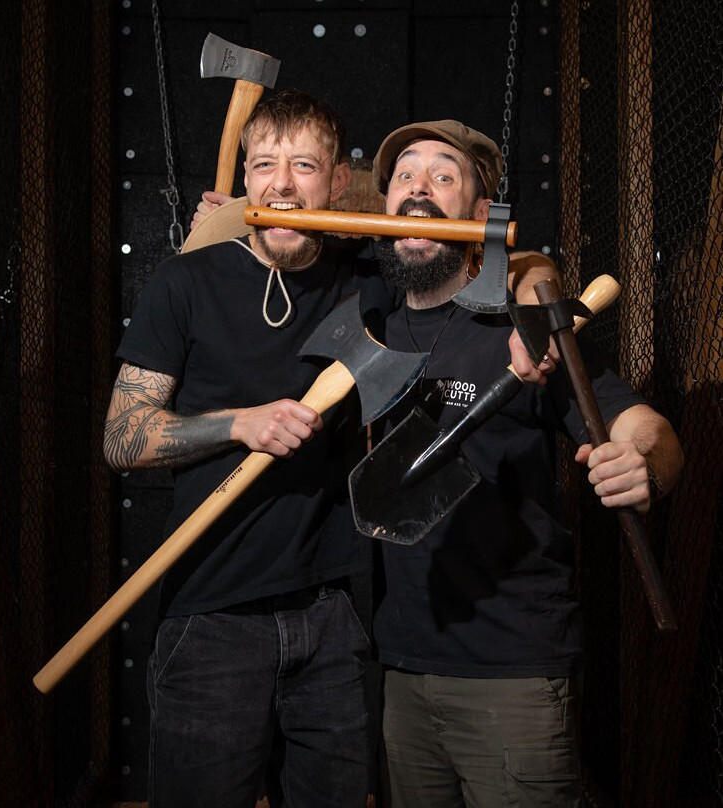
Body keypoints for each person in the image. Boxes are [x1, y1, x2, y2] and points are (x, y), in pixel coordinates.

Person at [105, 90, 555, 807]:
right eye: (263, 166)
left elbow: (474, 238)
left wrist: (535, 286)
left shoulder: (368, 279)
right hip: (210, 616)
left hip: (335, 620)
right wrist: (236, 425)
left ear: (338, 184)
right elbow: (122, 438)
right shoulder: (183, 282)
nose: (282, 185)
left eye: (304, 166)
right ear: (245, 178)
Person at [364, 119, 685, 808]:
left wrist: (641, 462)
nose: (418, 187)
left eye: (443, 175)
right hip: (399, 668)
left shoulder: (523, 332)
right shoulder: (368, 322)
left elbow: (645, 428)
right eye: (403, 176)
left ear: (481, 216)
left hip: (510, 674)